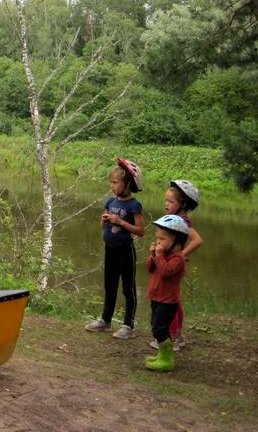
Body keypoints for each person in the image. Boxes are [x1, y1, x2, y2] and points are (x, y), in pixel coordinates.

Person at [85, 157, 145, 339]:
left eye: (115, 182)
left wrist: (121, 222)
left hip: (125, 251)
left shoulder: (134, 205)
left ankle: (128, 325)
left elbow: (140, 231)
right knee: (109, 286)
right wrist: (104, 221)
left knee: (128, 289)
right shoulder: (111, 202)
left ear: (127, 183)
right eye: (110, 182)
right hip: (109, 249)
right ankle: (106, 320)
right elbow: (104, 227)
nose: (111, 186)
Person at [149, 180, 203, 350]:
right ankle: (175, 335)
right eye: (166, 200)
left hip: (172, 266)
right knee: (172, 300)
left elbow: (197, 240)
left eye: (171, 201)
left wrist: (180, 255)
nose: (166, 204)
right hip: (168, 263)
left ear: (183, 204)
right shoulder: (175, 219)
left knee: (171, 301)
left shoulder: (182, 221)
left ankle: (173, 336)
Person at [145, 214, 189, 372]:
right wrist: (153, 255)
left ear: (177, 241)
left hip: (168, 300)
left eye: (162, 239)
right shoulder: (164, 256)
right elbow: (150, 268)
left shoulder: (177, 259)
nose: (158, 242)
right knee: (155, 327)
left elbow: (166, 271)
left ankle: (167, 359)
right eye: (157, 238)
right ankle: (162, 355)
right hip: (157, 297)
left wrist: (159, 256)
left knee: (160, 329)